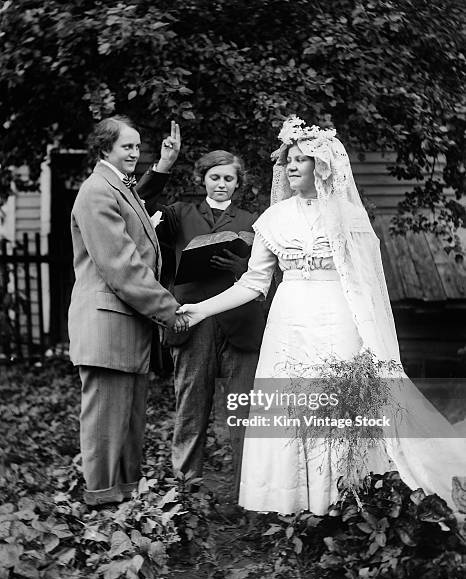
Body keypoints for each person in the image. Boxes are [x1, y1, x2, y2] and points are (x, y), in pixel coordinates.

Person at [176, 116, 466, 516]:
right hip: (289, 320)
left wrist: (372, 337)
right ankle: (291, 505)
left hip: (339, 317)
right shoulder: (273, 220)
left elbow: (368, 285)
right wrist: (199, 310)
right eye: (288, 160)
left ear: (322, 165)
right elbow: (253, 283)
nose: (291, 166)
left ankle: (345, 500)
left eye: (301, 159)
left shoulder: (349, 219)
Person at [68, 116, 188, 506]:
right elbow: (122, 266)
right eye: (127, 147)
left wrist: (163, 167)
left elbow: (138, 208)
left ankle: (125, 507)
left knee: (128, 424)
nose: (135, 153)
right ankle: (101, 512)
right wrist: (171, 310)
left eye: (138, 146)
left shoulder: (115, 186)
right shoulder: (96, 192)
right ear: (105, 150)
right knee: (105, 425)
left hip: (127, 326)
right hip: (107, 326)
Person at [136, 150, 266, 487]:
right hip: (193, 322)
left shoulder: (254, 221)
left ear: (238, 183)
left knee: (243, 411)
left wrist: (242, 269)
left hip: (240, 322)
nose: (221, 184)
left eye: (228, 178)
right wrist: (162, 167)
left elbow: (269, 275)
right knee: (191, 406)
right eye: (215, 177)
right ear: (203, 179)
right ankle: (185, 488)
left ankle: (247, 489)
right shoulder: (180, 213)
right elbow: (140, 202)